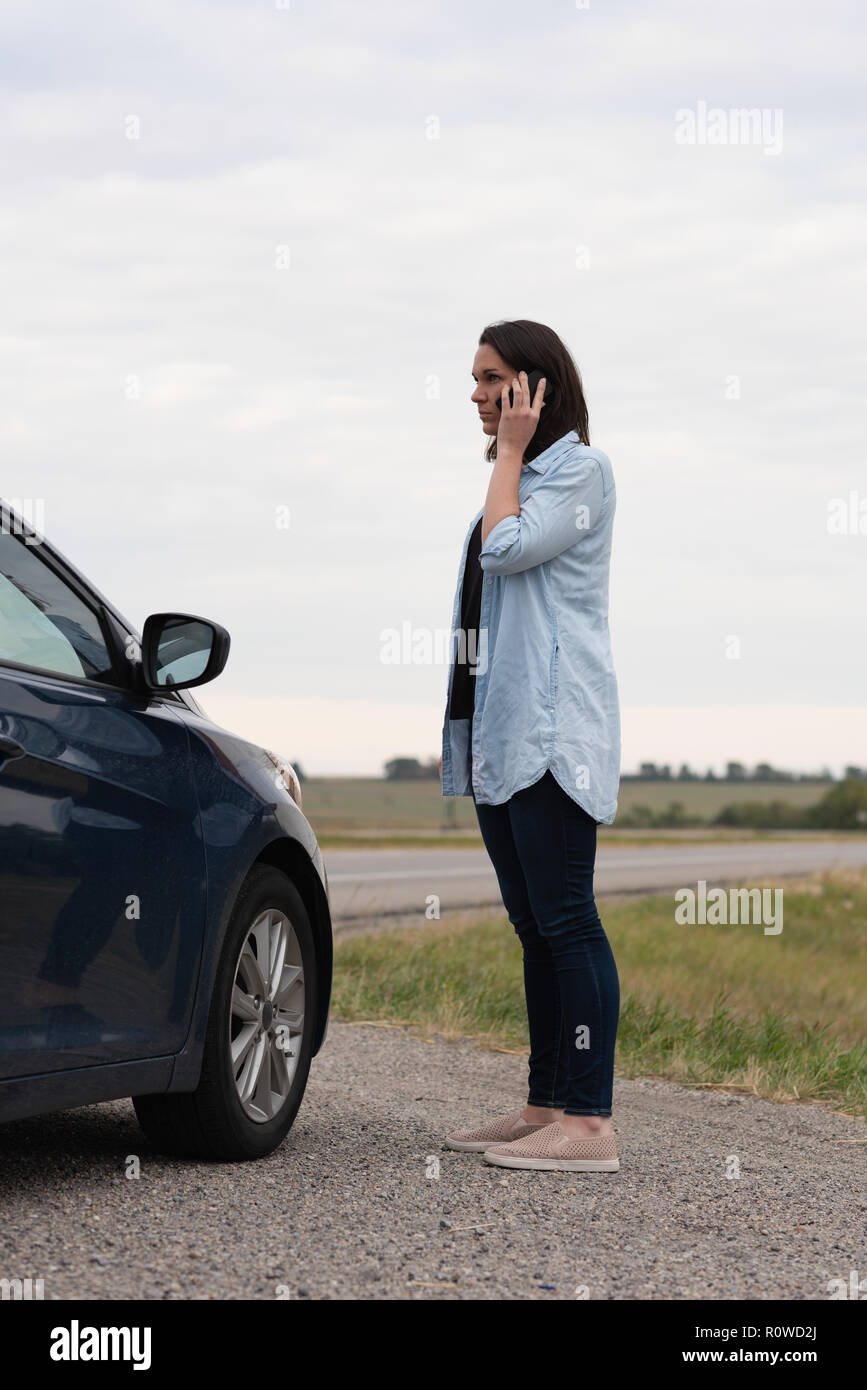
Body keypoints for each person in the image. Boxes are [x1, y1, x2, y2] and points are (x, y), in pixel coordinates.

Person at [440, 318, 622, 1174]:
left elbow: (505, 551)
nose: (475, 395)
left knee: (567, 921)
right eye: (474, 380)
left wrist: (510, 453)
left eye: (489, 379)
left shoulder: (579, 472)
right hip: (500, 735)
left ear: (532, 389)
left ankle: (588, 1125)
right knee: (532, 927)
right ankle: (544, 1104)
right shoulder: (518, 482)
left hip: (552, 736)